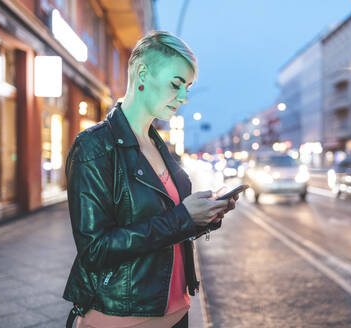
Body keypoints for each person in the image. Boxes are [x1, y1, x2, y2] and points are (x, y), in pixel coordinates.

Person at [63, 30, 239, 328]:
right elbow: (95, 249)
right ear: (143, 72)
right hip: (124, 317)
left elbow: (166, 226)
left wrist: (203, 216)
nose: (184, 97)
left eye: (188, 87)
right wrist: (183, 217)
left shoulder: (158, 146)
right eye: (176, 84)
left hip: (176, 311)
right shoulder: (94, 146)